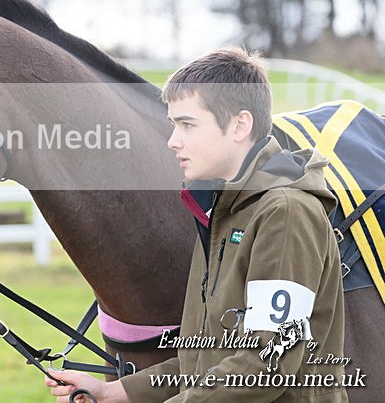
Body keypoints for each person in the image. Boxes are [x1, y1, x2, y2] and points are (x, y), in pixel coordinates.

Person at [46, 47, 347, 401]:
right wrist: (115, 392)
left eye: (187, 124)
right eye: (173, 124)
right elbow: (205, 357)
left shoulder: (285, 213)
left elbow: (269, 362)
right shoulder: (222, 210)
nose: (173, 141)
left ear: (239, 125)